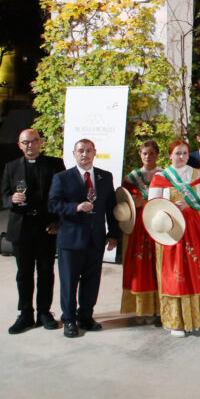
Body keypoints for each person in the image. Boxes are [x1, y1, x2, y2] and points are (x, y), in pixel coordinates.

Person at [48, 139, 119, 339]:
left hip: (95, 240)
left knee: (92, 281)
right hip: (71, 240)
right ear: (74, 153)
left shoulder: (105, 177)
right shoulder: (62, 178)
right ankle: (69, 320)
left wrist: (113, 234)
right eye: (81, 151)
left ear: (95, 152)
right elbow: (53, 205)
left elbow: (110, 207)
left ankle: (85, 316)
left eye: (88, 150)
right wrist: (75, 208)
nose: (85, 154)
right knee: (69, 282)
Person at [148, 140, 200, 336]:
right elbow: (153, 206)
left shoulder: (197, 175)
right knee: (174, 272)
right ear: (170, 155)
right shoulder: (160, 177)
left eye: (185, 153)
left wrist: (190, 208)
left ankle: (197, 317)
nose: (181, 156)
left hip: (194, 230)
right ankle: (175, 321)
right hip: (171, 231)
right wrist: (169, 208)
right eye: (177, 153)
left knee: (195, 270)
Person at [2, 128, 65, 334]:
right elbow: (4, 196)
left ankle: (44, 312)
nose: (30, 145)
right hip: (22, 229)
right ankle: (26, 313)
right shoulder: (11, 167)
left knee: (46, 272)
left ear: (40, 143)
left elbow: (63, 195)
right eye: (25, 142)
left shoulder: (55, 164)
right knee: (24, 273)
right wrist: (11, 199)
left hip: (46, 228)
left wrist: (57, 221)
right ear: (20, 145)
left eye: (34, 141)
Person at [120, 140, 161, 323]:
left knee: (157, 267)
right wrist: (132, 203)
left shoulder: (164, 175)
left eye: (151, 153)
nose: (147, 157)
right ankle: (141, 309)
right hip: (138, 228)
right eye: (144, 153)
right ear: (140, 155)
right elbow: (123, 204)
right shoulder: (131, 178)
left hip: (158, 226)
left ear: (157, 155)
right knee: (140, 267)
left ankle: (158, 308)